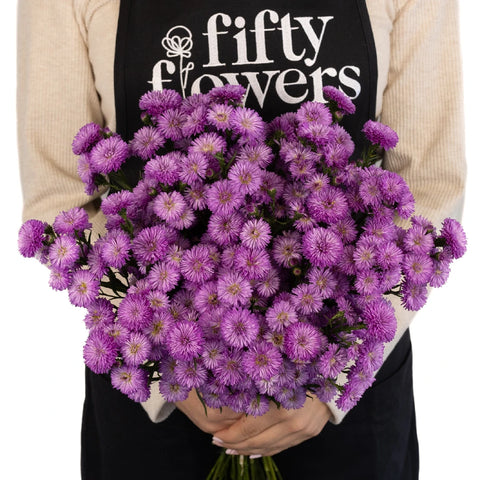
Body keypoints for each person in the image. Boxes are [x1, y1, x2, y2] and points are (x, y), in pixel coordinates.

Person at [17, 0, 466, 478]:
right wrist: (167, 361)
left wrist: (333, 380)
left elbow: (429, 185)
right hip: (160, 396)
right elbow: (61, 193)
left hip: (344, 398)